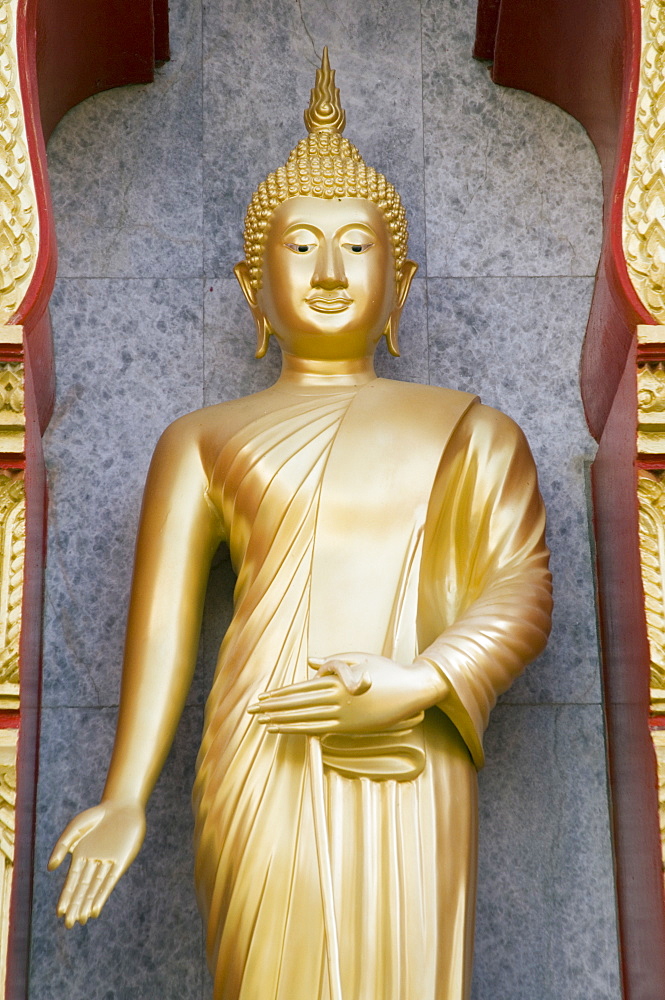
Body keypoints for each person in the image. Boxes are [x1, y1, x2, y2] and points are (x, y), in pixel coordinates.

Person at [49, 50, 552, 1000]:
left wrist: (419, 679)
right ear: (253, 285)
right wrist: (123, 795)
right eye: (300, 245)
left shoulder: (473, 430)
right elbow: (159, 638)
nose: (329, 270)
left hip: (412, 745)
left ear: (399, 282)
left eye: (357, 247)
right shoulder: (199, 440)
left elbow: (520, 588)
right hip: (264, 745)